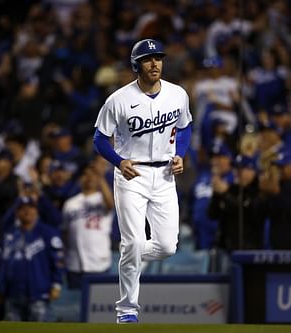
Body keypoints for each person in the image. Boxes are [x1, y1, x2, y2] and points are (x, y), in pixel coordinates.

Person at [92, 38, 192, 323]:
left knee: (167, 247)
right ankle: (127, 310)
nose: (155, 63)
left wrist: (181, 154)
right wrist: (118, 162)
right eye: (148, 59)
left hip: (164, 175)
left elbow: (185, 126)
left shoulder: (177, 94)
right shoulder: (119, 99)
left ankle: (129, 254)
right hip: (131, 174)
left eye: (158, 58)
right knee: (134, 241)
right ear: (136, 65)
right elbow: (99, 139)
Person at [0, 195, 65, 322]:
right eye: (22, 208)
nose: (26, 211)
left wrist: (57, 284)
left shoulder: (47, 233)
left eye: (30, 207)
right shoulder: (9, 235)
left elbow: (58, 261)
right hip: (12, 294)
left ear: (36, 210)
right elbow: (0, 262)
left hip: (38, 294)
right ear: (16, 212)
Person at [62, 162, 115, 289]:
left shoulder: (101, 200)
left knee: (98, 305)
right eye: (86, 175)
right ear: (80, 179)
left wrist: (100, 177)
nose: (89, 178)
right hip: (75, 265)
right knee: (74, 306)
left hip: (99, 263)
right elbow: (65, 232)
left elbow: (110, 204)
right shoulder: (70, 203)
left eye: (93, 175)